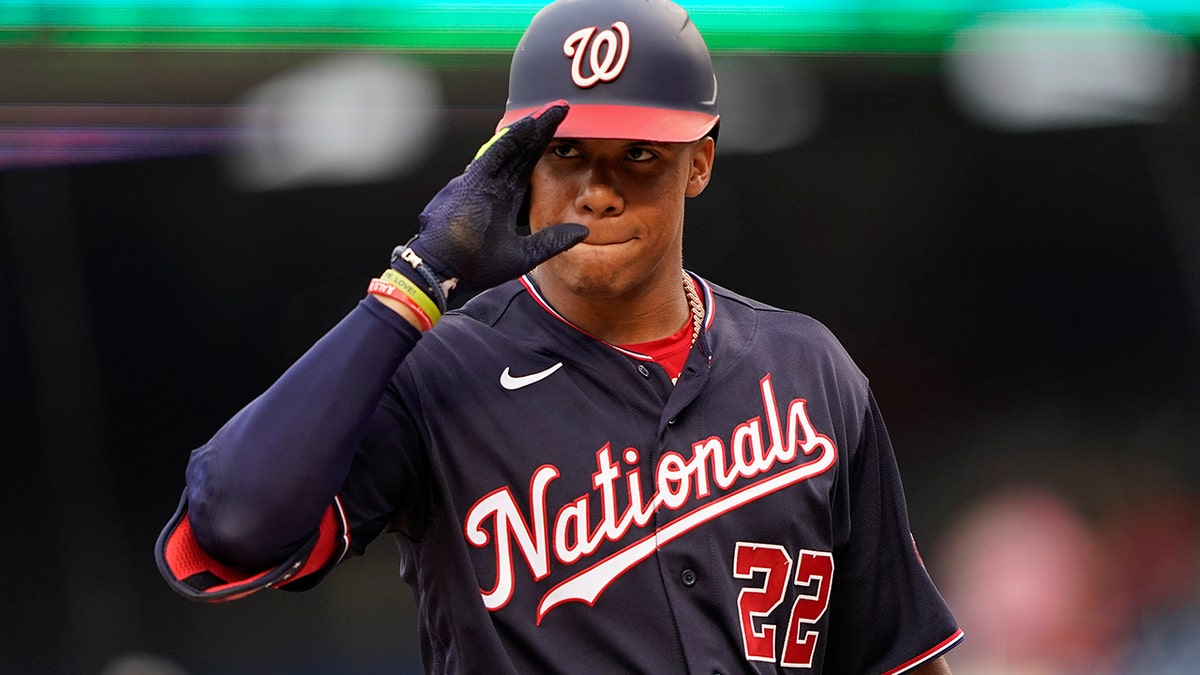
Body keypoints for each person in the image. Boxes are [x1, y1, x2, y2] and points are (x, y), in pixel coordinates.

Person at [156, 0, 963, 672]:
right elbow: (232, 523)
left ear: (700, 163)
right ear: (514, 164)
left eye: (638, 154)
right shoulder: (436, 376)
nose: (598, 190)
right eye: (565, 152)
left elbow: (902, 654)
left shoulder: (808, 368)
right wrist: (411, 284)